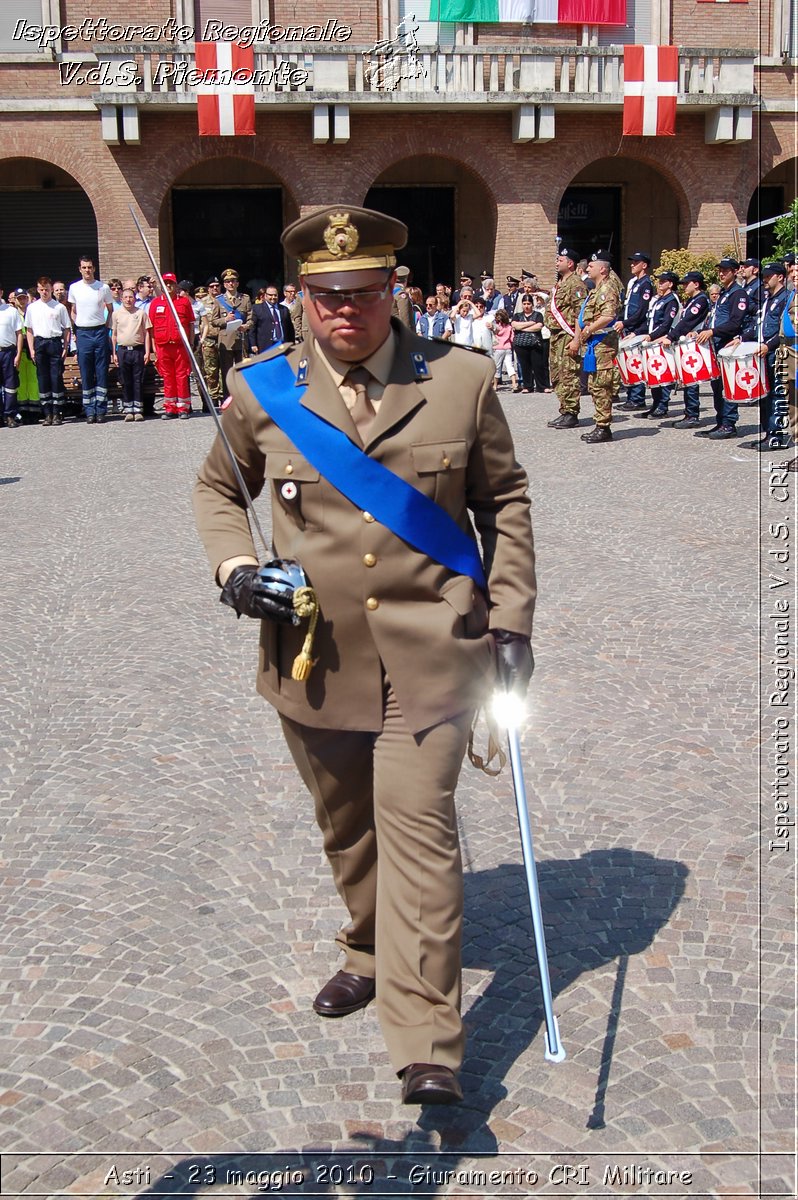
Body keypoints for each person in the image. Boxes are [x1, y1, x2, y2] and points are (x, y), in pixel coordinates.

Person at [193, 203, 536, 1107]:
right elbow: (217, 488)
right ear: (302, 299)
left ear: (395, 291)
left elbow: (504, 502)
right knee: (349, 833)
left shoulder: (460, 380)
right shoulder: (260, 389)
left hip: (433, 657)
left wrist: (513, 620)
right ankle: (364, 947)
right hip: (314, 655)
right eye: (327, 296)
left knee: (420, 835)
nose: (347, 312)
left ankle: (429, 1041)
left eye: (365, 293)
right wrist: (234, 567)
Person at [694, 257, 749, 439]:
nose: (721, 273)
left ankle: (729, 423)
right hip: (716, 344)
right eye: (720, 270)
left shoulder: (738, 294)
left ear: (734, 271)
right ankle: (720, 421)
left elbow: (735, 323)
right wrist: (702, 331)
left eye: (725, 270)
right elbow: (715, 318)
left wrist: (712, 331)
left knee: (726, 387)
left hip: (727, 344)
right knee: (717, 386)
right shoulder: (724, 293)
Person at [570, 251, 621, 444]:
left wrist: (589, 330)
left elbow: (608, 316)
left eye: (591, 265)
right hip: (594, 345)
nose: (587, 268)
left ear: (602, 269)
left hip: (603, 344)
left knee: (602, 386)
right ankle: (600, 423)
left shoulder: (607, 288)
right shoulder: (595, 290)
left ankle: (603, 427)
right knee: (594, 385)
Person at [741, 261, 790, 450]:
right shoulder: (768, 299)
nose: (765, 280)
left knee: (776, 396)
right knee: (764, 395)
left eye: (769, 276)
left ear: (780, 277)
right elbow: (759, 326)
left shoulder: (786, 298)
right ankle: (768, 433)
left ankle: (776, 435)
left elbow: (783, 330)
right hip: (763, 353)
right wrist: (742, 338)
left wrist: (768, 346)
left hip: (775, 353)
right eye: (764, 276)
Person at [544, 246, 587, 429]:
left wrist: (576, 339)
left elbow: (580, 314)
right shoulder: (560, 283)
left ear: (570, 263)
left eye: (560, 260)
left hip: (567, 336)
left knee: (569, 374)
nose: (556, 262)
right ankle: (564, 410)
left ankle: (571, 413)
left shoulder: (575, 283)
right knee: (557, 374)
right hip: (556, 336)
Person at [661, 271, 711, 428]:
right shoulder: (693, 300)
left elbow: (687, 322)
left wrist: (671, 336)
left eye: (686, 283)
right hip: (686, 345)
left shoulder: (700, 300)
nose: (683, 286)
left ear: (696, 284)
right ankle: (689, 413)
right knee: (687, 380)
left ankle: (692, 414)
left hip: (694, 346)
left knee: (692, 380)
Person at [67, 255, 113, 423]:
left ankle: (101, 410)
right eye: (84, 267)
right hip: (83, 333)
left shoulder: (103, 287)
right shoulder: (74, 288)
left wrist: (106, 327)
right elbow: (73, 310)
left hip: (100, 331)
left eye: (90, 267)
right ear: (80, 269)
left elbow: (110, 309)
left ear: (94, 268)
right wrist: (77, 326)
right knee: (86, 371)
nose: (87, 270)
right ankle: (89, 411)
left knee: (101, 371)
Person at [634, 271, 681, 420]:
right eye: (659, 281)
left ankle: (663, 406)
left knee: (663, 374)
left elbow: (666, 324)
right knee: (654, 375)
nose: (659, 283)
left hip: (662, 341)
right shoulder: (660, 299)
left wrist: (651, 336)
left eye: (663, 281)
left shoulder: (671, 301)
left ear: (670, 284)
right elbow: (651, 321)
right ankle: (655, 404)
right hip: (654, 341)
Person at [147, 272, 194, 419]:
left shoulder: (184, 302)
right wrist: (154, 347)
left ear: (176, 285)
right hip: (163, 346)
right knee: (167, 377)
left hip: (180, 346)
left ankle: (183, 408)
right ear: (162, 285)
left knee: (181, 376)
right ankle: (170, 408)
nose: (168, 286)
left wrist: (191, 343)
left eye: (171, 283)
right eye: (166, 283)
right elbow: (152, 328)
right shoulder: (156, 303)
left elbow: (191, 325)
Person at [25, 276, 71, 426]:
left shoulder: (59, 307)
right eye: (41, 289)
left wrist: (65, 347)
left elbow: (67, 328)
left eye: (47, 289)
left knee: (56, 378)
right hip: (40, 343)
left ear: (51, 289)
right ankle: (47, 413)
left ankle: (57, 412)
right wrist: (32, 349)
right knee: (43, 379)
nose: (44, 292)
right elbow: (29, 330)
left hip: (54, 343)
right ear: (38, 290)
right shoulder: (32, 308)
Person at [614, 251, 654, 411]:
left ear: (644, 265)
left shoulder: (645, 284)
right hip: (630, 326)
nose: (632, 265)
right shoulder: (635, 283)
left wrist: (626, 323)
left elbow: (641, 311)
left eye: (636, 262)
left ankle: (637, 398)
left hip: (638, 328)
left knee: (635, 363)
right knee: (628, 362)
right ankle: (631, 396)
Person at [112, 286, 152, 421]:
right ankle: (129, 409)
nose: (128, 300)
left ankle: (138, 409)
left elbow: (147, 333)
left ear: (134, 299)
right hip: (123, 351)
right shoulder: (116, 314)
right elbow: (114, 335)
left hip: (138, 351)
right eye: (125, 297)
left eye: (131, 297)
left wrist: (147, 352)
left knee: (137, 380)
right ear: (121, 299)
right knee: (126, 380)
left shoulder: (140, 313)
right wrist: (114, 353)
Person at [212, 268, 252, 385]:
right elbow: (213, 320)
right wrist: (225, 319)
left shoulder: (245, 299)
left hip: (241, 339)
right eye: (228, 281)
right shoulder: (219, 300)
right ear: (224, 284)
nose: (231, 283)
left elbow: (250, 317)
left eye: (233, 281)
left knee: (242, 373)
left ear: (237, 283)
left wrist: (246, 326)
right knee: (227, 373)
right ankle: (227, 400)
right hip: (226, 341)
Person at [0, 288, 23, 428]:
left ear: (1, 292)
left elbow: (19, 333)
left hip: (8, 352)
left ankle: (10, 415)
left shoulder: (11, 311)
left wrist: (18, 354)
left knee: (10, 386)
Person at [512, 294, 545, 393]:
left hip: (535, 344)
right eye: (524, 304)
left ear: (532, 304)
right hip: (521, 344)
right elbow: (514, 325)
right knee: (525, 366)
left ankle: (541, 386)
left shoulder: (538, 315)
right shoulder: (517, 315)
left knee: (538, 365)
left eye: (529, 304)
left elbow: (539, 326)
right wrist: (531, 323)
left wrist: (522, 328)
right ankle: (528, 386)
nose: (526, 306)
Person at [251, 285, 295, 354]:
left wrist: (292, 343)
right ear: (265, 295)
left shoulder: (284, 309)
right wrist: (253, 344)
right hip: (265, 346)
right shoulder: (257, 308)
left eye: (275, 295)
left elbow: (290, 329)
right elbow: (253, 328)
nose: (273, 297)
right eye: (270, 295)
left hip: (282, 344)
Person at [200, 277, 223, 405]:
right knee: (210, 371)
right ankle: (213, 398)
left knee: (223, 370)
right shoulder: (202, 303)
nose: (215, 288)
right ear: (208, 288)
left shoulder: (224, 301)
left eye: (217, 286)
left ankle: (223, 396)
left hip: (223, 340)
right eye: (212, 286)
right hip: (209, 340)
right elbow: (199, 323)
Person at [490, 307, 518, 391]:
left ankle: (495, 385)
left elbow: (494, 333)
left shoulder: (497, 326)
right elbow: (512, 338)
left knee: (497, 367)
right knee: (510, 366)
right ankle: (514, 384)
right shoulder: (509, 327)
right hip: (508, 347)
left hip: (498, 348)